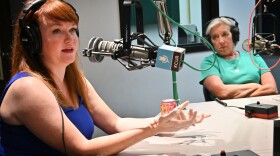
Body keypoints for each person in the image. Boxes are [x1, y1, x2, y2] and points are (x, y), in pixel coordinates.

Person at [0, 0, 210, 155]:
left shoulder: (75, 79)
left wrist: (163, 122)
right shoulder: (28, 87)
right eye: (56, 31)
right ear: (33, 41)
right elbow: (80, 150)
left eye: (73, 30)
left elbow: (116, 123)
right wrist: (153, 129)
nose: (69, 38)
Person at [200, 16, 278, 100]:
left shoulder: (254, 57)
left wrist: (234, 95)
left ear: (234, 36)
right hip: (225, 109)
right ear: (210, 42)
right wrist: (255, 86)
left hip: (259, 106)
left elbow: (272, 89)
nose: (221, 41)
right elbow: (222, 92)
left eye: (225, 34)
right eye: (215, 37)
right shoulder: (208, 63)